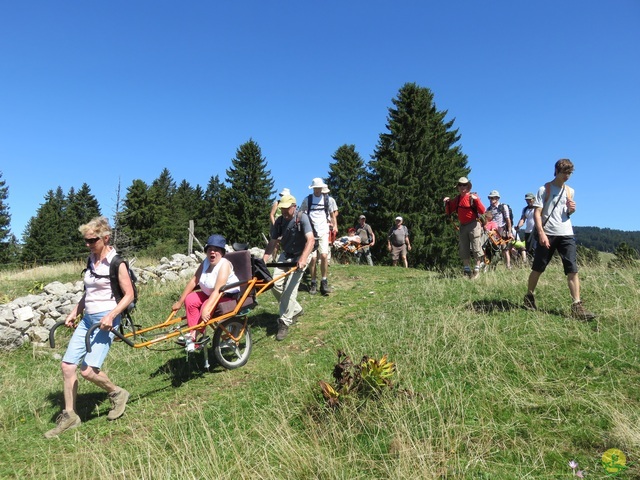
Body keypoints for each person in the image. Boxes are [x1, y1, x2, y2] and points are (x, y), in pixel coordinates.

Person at [44, 216, 134, 439]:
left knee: (88, 370)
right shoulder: (91, 260)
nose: (88, 244)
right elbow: (90, 292)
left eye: (91, 240)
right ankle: (70, 415)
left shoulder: (116, 262)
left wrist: (111, 315)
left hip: (106, 320)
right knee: (67, 366)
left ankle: (117, 393)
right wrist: (76, 311)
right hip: (87, 320)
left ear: (105, 238)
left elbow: (129, 294)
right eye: (85, 240)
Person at [523, 159, 595, 320]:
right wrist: (541, 233)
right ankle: (529, 296)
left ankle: (577, 306)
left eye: (569, 173)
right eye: (564, 172)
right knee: (538, 268)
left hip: (566, 233)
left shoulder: (570, 191)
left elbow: (565, 214)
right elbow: (537, 213)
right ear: (556, 171)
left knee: (572, 269)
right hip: (548, 233)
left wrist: (571, 210)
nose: (567, 176)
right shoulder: (544, 189)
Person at [171, 234, 240, 350]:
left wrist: (207, 309)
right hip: (210, 293)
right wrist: (179, 302)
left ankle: (194, 336)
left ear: (222, 252)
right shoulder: (205, 262)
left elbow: (218, 290)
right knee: (190, 299)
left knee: (205, 307)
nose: (212, 252)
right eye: (210, 249)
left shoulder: (224, 265)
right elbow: (194, 281)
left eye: (216, 249)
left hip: (226, 295)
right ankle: (193, 334)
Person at [263, 194, 316, 340]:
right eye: (282, 210)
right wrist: (263, 261)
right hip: (286, 255)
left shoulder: (302, 218)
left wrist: (303, 259)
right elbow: (272, 243)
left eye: (287, 209)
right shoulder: (279, 222)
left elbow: (310, 240)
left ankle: (284, 322)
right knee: (274, 284)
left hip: (301, 256)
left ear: (294, 206)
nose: (284, 213)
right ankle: (296, 309)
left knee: (290, 290)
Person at [300, 178, 339, 295]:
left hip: (323, 231)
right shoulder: (308, 200)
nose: (317, 190)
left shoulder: (329, 200)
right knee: (312, 259)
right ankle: (313, 282)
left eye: (319, 188)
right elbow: (301, 213)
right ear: (313, 189)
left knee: (324, 255)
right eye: (315, 188)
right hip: (311, 231)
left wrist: (335, 225)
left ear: (322, 188)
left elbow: (332, 215)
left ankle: (324, 281)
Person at [444, 176, 486, 278]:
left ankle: (476, 270)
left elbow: (482, 210)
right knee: (464, 248)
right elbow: (449, 211)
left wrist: (476, 200)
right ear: (458, 187)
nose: (462, 187)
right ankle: (467, 270)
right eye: (460, 185)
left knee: (476, 246)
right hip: (463, 226)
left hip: (473, 225)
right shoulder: (458, 199)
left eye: (465, 185)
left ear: (468, 187)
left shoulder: (473, 197)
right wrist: (447, 203)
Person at [486, 190, 513, 269]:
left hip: (502, 230)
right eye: (490, 198)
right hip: (492, 232)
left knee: (505, 248)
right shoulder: (488, 209)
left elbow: (508, 220)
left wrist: (509, 232)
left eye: (492, 198)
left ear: (497, 198)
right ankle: (492, 267)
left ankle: (508, 266)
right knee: (493, 249)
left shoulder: (503, 207)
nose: (491, 200)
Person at [516, 192, 537, 256]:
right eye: (527, 200)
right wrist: (518, 226)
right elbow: (523, 219)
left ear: (533, 199)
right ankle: (530, 264)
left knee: (535, 248)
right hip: (528, 231)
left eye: (530, 199)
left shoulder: (537, 208)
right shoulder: (525, 209)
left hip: (536, 231)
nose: (528, 201)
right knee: (528, 249)